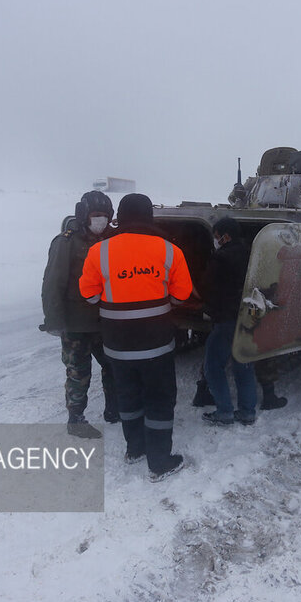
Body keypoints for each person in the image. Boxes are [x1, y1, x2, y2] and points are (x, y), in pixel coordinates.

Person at [79, 193, 193, 481]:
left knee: (128, 396)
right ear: (149, 216)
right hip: (156, 343)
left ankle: (135, 450)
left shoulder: (99, 252)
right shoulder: (170, 251)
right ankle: (159, 461)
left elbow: (90, 295)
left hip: (117, 344)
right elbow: (181, 295)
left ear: (120, 216)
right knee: (159, 397)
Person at [40, 191, 119, 438]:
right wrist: (54, 320)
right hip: (76, 323)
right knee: (78, 372)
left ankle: (113, 409)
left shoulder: (111, 240)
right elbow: (53, 284)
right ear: (84, 215)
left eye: (105, 216)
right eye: (96, 216)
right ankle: (76, 419)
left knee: (113, 366)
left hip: (104, 320)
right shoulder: (66, 243)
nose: (101, 221)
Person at [200, 217, 259, 425]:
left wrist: (207, 309)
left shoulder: (221, 258)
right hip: (247, 317)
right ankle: (247, 412)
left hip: (225, 319)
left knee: (213, 366)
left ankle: (224, 411)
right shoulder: (252, 254)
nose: (216, 240)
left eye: (217, 236)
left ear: (226, 236)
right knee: (243, 364)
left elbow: (208, 289)